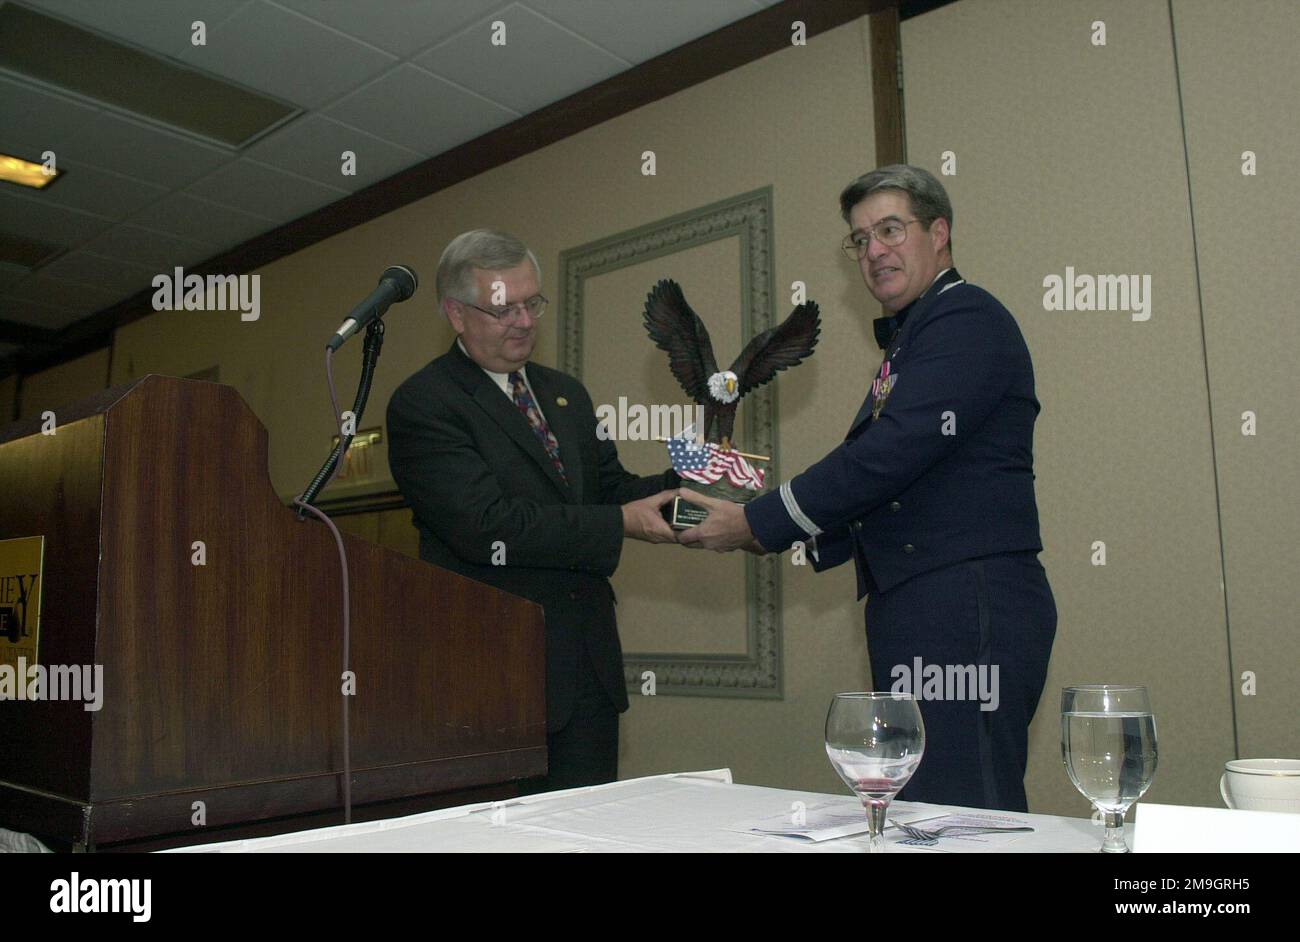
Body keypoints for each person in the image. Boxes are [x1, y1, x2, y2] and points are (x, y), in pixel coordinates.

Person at [680, 165, 1056, 813]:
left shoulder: (965, 317)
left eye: (890, 229)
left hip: (965, 607)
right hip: (928, 604)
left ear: (939, 233)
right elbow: (898, 477)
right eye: (860, 239)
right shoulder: (917, 335)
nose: (874, 250)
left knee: (964, 815)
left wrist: (760, 522)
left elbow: (890, 454)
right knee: (924, 810)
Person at [386, 229, 679, 793]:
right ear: (455, 312)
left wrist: (688, 482)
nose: (524, 321)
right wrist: (621, 522)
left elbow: (611, 490)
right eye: (503, 309)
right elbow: (487, 525)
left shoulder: (564, 392)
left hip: (587, 673)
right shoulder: (426, 403)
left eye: (532, 303)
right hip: (492, 677)